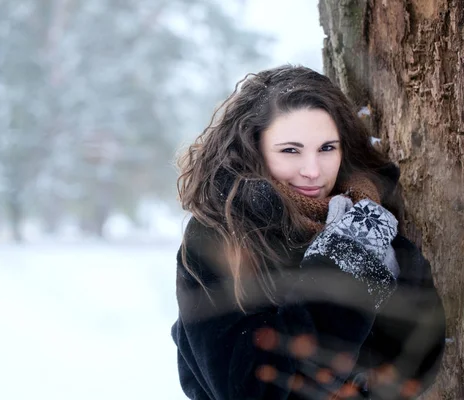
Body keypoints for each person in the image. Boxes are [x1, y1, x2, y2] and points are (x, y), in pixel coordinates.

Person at [171, 65, 445, 400]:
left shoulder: (367, 221)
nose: (312, 171)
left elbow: (416, 365)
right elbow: (249, 390)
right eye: (290, 150)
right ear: (253, 150)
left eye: (327, 148)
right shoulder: (220, 236)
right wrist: (342, 272)